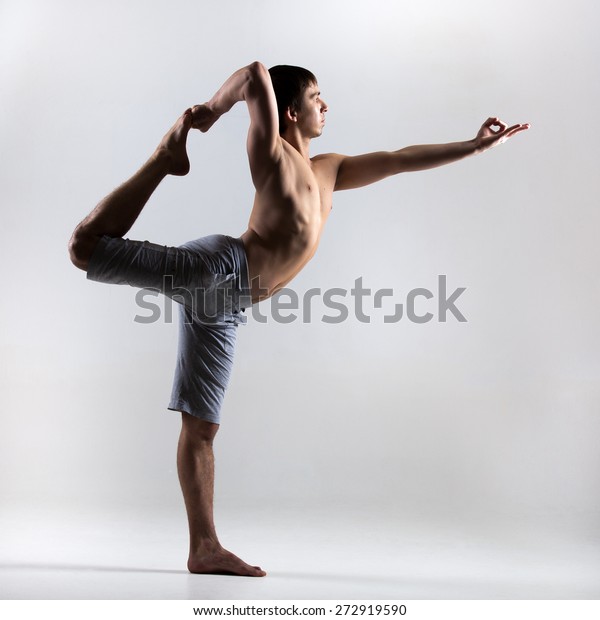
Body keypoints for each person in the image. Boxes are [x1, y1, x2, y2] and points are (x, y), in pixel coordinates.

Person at [68, 61, 529, 577]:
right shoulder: (272, 157)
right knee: (85, 248)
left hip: (229, 305)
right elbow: (253, 74)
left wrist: (473, 146)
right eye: (315, 97)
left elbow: (399, 159)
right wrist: (207, 115)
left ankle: (204, 548)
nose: (325, 105)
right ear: (291, 111)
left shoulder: (329, 169)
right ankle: (162, 158)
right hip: (217, 271)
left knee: (201, 428)